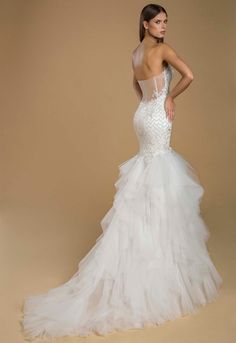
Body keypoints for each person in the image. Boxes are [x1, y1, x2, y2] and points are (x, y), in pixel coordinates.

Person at [21, 4, 223, 340]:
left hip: (142, 115)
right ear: (145, 24)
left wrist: (150, 102)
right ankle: (159, 263)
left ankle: (148, 251)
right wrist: (169, 98)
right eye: (158, 22)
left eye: (165, 22)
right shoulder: (162, 50)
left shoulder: (135, 53)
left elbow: (137, 86)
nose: (163, 27)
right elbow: (190, 75)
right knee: (159, 177)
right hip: (156, 115)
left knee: (146, 178)